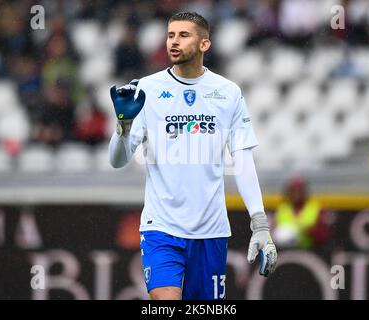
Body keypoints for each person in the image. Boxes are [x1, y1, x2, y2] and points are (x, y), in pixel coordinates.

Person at [108, 11, 277, 300]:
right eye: (170, 35)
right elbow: (117, 160)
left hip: (211, 232)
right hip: (161, 228)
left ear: (204, 44)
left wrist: (259, 223)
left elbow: (243, 160)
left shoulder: (228, 93)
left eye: (183, 35)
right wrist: (123, 126)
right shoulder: (147, 89)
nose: (173, 41)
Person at [274, 177, 330, 250]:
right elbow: (274, 231)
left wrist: (306, 232)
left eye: (299, 191)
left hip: (310, 250)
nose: (296, 194)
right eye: (293, 191)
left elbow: (324, 235)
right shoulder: (282, 209)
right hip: (285, 251)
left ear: (305, 192)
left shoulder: (315, 208)